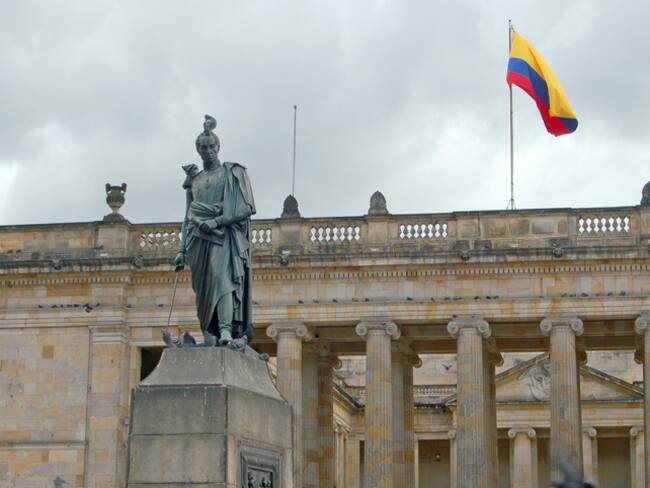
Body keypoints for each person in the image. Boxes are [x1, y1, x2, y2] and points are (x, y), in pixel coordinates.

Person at [174, 115, 256, 347]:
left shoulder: (232, 173)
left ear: (218, 147)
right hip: (198, 241)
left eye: (211, 146)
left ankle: (226, 329)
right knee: (203, 292)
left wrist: (217, 221)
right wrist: (181, 250)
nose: (207, 151)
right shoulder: (195, 180)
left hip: (223, 238)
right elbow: (188, 215)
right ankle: (210, 332)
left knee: (223, 281)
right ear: (197, 150)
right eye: (202, 147)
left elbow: (245, 208)